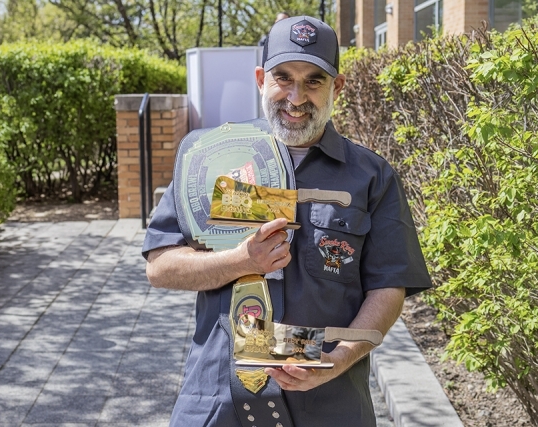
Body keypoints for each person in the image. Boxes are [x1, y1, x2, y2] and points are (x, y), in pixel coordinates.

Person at [143, 15, 432, 427]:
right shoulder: (211, 159)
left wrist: (339, 359)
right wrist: (240, 261)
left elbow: (389, 287)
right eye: (283, 77)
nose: (296, 97)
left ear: (338, 87)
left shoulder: (371, 176)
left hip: (330, 405)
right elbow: (160, 266)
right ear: (261, 78)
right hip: (216, 402)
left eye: (314, 80)